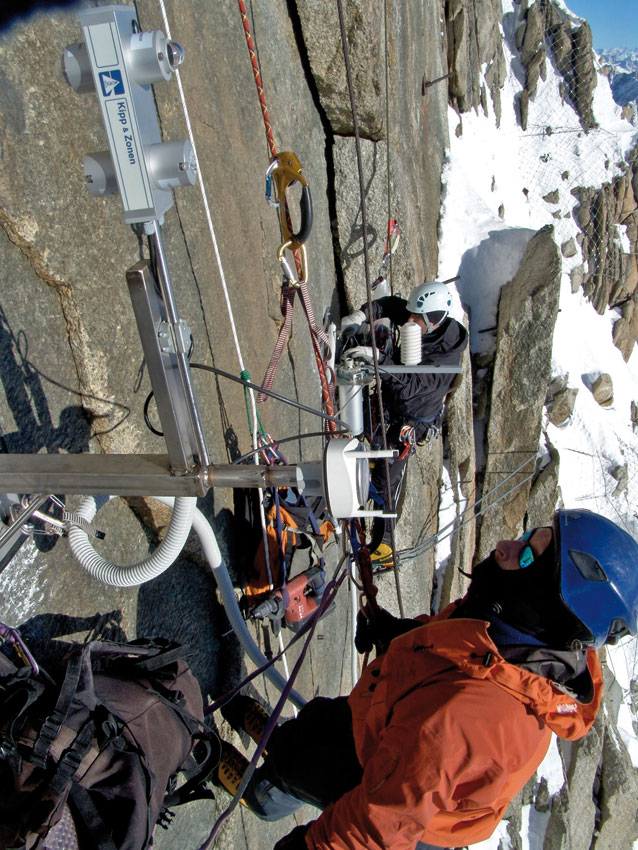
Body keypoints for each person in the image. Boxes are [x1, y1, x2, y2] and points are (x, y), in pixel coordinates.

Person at [216, 509, 638, 850]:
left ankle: (240, 780)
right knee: (309, 729)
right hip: (389, 733)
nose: (506, 546)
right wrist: (396, 632)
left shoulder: (463, 721)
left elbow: (379, 827)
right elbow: (454, 646)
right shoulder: (514, 634)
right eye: (531, 535)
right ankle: (269, 736)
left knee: (294, 767)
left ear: (549, 608)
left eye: (528, 556)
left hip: (397, 794)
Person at [340, 281, 468, 562]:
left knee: (385, 477)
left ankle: (383, 544)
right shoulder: (420, 320)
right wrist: (363, 314)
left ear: (434, 320)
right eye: (410, 316)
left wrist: (380, 361)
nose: (409, 321)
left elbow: (409, 387)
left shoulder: (444, 361)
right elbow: (390, 305)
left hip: (410, 418)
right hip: (391, 397)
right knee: (369, 443)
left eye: (415, 319)